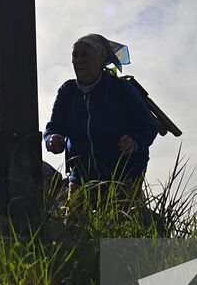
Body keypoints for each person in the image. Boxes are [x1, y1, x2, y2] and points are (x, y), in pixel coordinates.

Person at [43, 34, 154, 189]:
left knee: (120, 213)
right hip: (81, 177)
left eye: (85, 54)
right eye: (75, 55)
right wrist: (52, 140)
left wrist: (134, 142)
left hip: (124, 175)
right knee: (75, 213)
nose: (78, 60)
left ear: (100, 58)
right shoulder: (67, 91)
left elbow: (148, 127)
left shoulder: (121, 88)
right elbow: (53, 128)